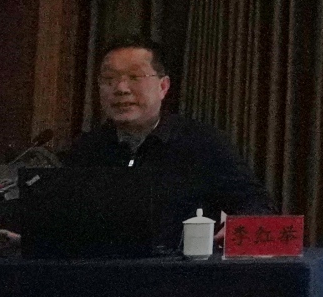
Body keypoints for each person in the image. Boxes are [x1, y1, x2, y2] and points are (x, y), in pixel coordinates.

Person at [62, 35, 276, 220]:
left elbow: (256, 204)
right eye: (109, 79)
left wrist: (235, 228)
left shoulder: (202, 143)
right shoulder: (86, 148)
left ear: (163, 87)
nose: (121, 89)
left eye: (135, 77)